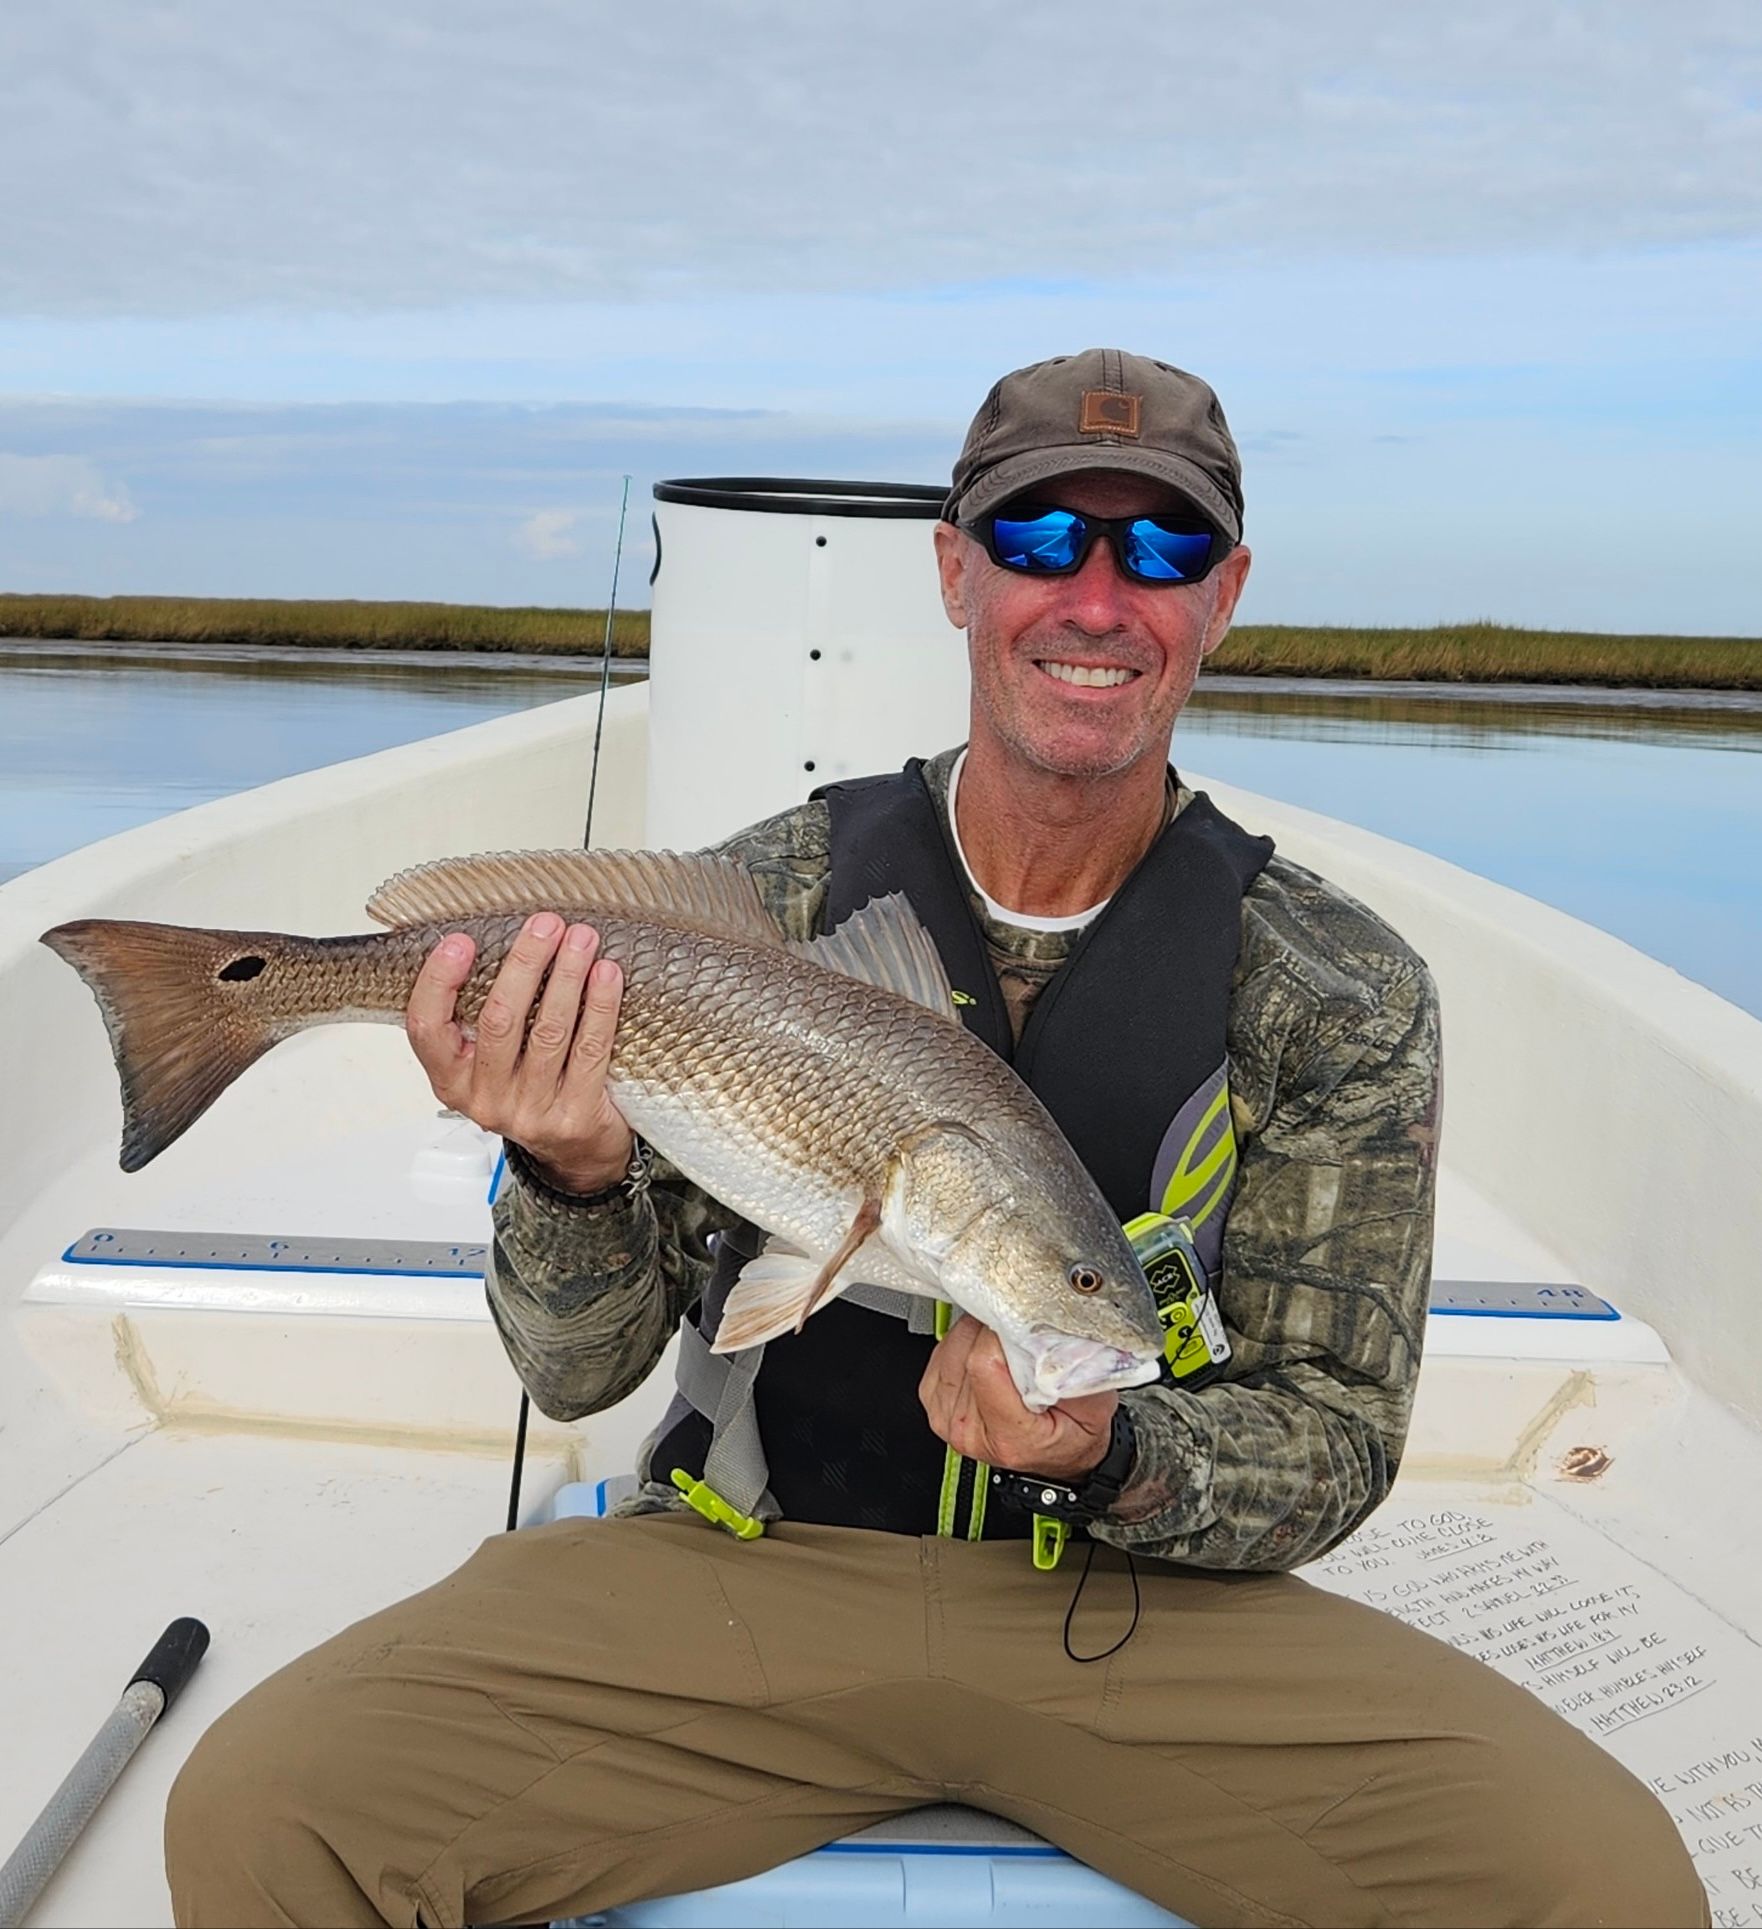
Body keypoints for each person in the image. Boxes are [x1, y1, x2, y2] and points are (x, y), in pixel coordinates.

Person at [165, 350, 1707, 1928]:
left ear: (1224, 594)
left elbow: (1334, 1440)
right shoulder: (757, 903)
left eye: (1160, 546)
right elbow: (574, 1376)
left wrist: (1116, 1452)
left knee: (1607, 1886)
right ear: (956, 571)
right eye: (1039, 538)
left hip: (1133, 1610)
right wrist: (571, 1172)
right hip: (745, 1570)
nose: (1096, 597)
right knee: (266, 1812)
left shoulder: (1336, 984)